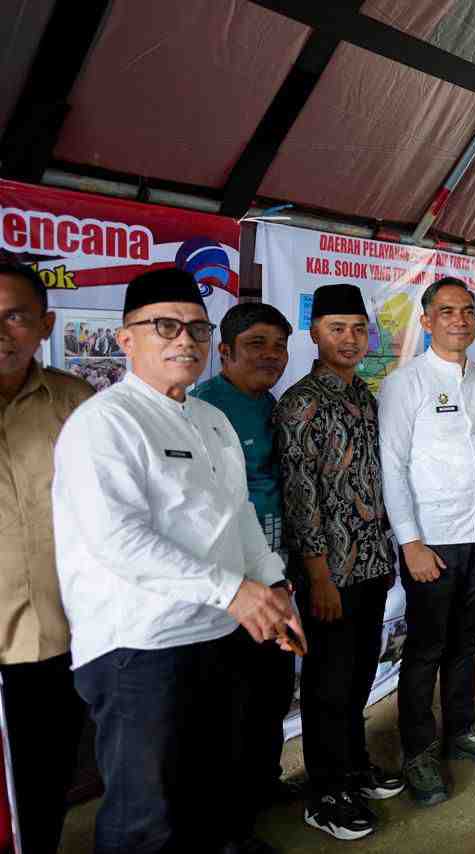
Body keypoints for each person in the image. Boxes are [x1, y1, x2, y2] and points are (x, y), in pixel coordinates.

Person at [53, 269, 304, 854]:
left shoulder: (210, 419)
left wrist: (273, 584)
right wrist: (233, 591)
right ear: (126, 339)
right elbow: (117, 538)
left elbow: (238, 513)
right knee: (149, 817)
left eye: (196, 328)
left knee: (212, 787)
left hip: (216, 633)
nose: (185, 340)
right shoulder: (105, 422)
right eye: (165, 326)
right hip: (140, 648)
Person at [379, 277, 475, 806]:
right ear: (427, 321)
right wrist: (410, 542)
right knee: (425, 649)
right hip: (432, 541)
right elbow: (392, 466)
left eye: (468, 311)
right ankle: (418, 751)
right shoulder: (405, 383)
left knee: (466, 642)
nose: (460, 320)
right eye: (448, 311)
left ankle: (461, 730)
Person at [275, 283, 404, 840]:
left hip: (371, 564)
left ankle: (353, 767)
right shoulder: (301, 403)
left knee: (358, 675)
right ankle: (324, 792)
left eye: (357, 329)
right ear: (315, 333)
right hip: (330, 572)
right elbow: (300, 497)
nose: (349, 339)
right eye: (337, 329)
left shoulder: (364, 396)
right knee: (327, 683)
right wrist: (319, 576)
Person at [190, 302, 301, 839]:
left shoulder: (271, 405)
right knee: (228, 707)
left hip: (275, 575)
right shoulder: (202, 410)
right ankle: (228, 826)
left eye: (279, 346)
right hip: (227, 589)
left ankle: (263, 783)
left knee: (271, 692)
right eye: (257, 344)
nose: (271, 355)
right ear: (225, 352)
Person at [0, 262, 93, 854]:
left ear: (45, 324)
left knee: (44, 780)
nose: (0, 332)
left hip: (58, 639)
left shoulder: (77, 403)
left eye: (15, 316)